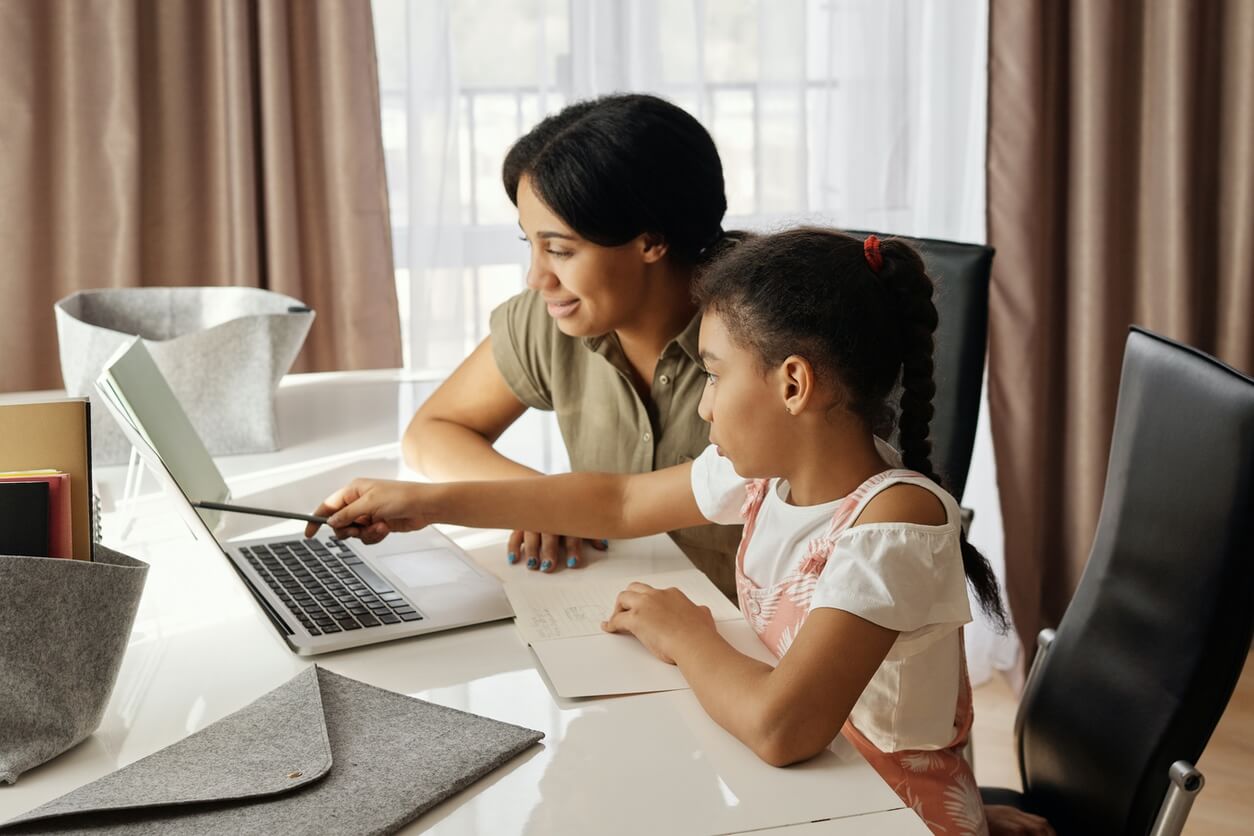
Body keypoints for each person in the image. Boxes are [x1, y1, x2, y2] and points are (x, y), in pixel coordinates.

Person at [309, 228, 1054, 835]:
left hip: (877, 813)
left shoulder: (893, 523)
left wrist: (686, 634)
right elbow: (620, 502)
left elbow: (780, 728)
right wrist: (429, 503)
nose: (703, 407)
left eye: (715, 376)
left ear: (793, 384)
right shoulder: (768, 476)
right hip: (822, 790)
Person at [400, 93, 742, 597]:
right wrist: (541, 501)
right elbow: (430, 432)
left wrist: (552, 502)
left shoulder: (763, 339)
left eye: (559, 250)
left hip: (755, 644)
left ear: (651, 241)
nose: (537, 277)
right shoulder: (557, 316)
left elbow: (620, 504)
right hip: (616, 615)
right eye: (530, 244)